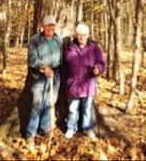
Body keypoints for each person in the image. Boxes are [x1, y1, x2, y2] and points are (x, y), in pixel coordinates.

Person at [63, 23, 106, 139]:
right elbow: (64, 67)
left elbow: (102, 63)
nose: (82, 37)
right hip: (72, 85)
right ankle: (71, 128)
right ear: (76, 35)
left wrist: (99, 69)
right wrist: (65, 82)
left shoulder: (94, 48)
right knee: (72, 109)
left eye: (84, 35)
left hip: (88, 85)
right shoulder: (69, 48)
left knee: (87, 109)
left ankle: (87, 128)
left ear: (88, 35)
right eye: (79, 35)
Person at [25, 15, 62, 145]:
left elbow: (62, 58)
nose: (50, 28)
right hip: (40, 75)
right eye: (47, 26)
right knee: (37, 103)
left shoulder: (58, 40)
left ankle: (45, 129)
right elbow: (32, 59)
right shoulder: (36, 40)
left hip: (55, 74)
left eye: (52, 25)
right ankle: (31, 134)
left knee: (50, 102)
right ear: (42, 27)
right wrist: (44, 67)